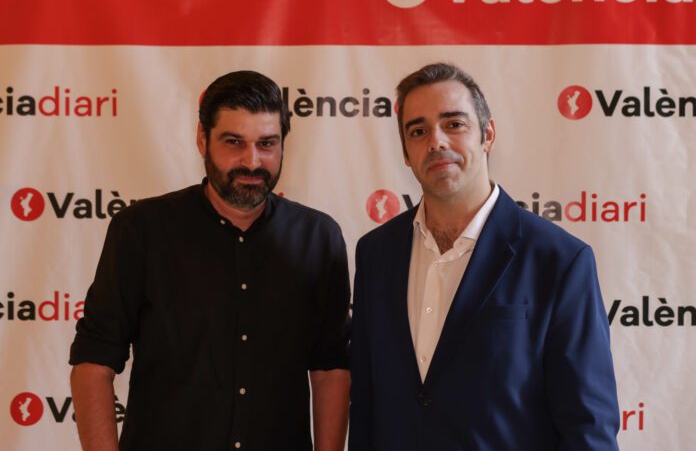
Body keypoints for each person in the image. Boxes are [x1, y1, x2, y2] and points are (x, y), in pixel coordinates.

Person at [70, 70, 351, 451]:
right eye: (234, 142)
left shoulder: (318, 237)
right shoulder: (141, 230)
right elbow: (93, 362)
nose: (252, 161)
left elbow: (330, 368)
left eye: (267, 143)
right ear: (202, 139)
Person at [349, 63, 620, 450]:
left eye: (454, 124)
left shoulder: (558, 260)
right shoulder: (376, 253)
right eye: (418, 131)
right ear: (406, 153)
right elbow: (366, 404)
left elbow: (588, 426)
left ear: (487, 135)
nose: (437, 141)